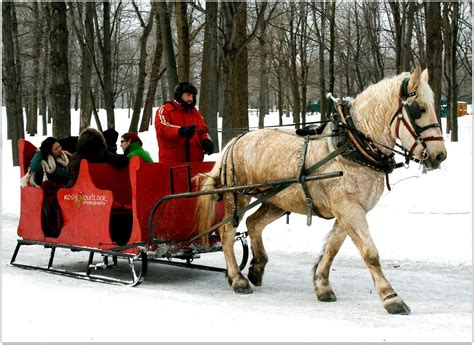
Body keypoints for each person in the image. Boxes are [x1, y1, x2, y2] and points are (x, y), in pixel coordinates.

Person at [20, 137, 72, 237]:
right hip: (53, 188)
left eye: (59, 146)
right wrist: (41, 151)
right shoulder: (47, 161)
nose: (59, 150)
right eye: (55, 149)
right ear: (50, 151)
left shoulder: (62, 158)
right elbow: (35, 166)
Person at [154, 81, 214, 163]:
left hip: (196, 163)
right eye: (188, 95)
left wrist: (206, 141)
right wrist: (180, 131)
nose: (191, 99)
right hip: (172, 163)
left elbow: (203, 130)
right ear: (179, 95)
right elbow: (162, 128)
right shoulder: (165, 110)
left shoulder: (195, 112)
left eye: (192, 96)